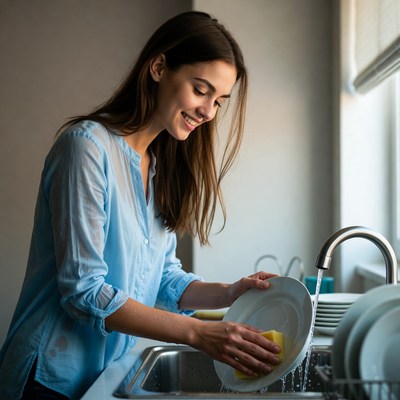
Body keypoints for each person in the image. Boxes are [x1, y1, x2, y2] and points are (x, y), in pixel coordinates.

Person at [0, 11, 281, 400]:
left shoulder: (158, 166)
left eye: (219, 101)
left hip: (105, 374)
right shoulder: (85, 148)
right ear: (159, 67)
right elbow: (84, 290)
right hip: (48, 377)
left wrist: (229, 293)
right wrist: (199, 333)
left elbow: (163, 278)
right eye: (201, 90)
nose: (208, 112)